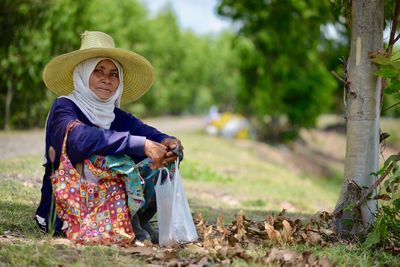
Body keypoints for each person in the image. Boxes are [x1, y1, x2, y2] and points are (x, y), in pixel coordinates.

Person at [35, 30, 183, 244]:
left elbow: (152, 136)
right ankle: (117, 223)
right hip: (63, 213)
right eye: (99, 71)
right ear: (83, 73)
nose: (107, 79)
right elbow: (78, 140)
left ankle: (137, 220)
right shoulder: (64, 108)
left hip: (109, 206)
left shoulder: (115, 115)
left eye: (114, 73)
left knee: (164, 159)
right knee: (113, 160)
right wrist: (139, 144)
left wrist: (170, 143)